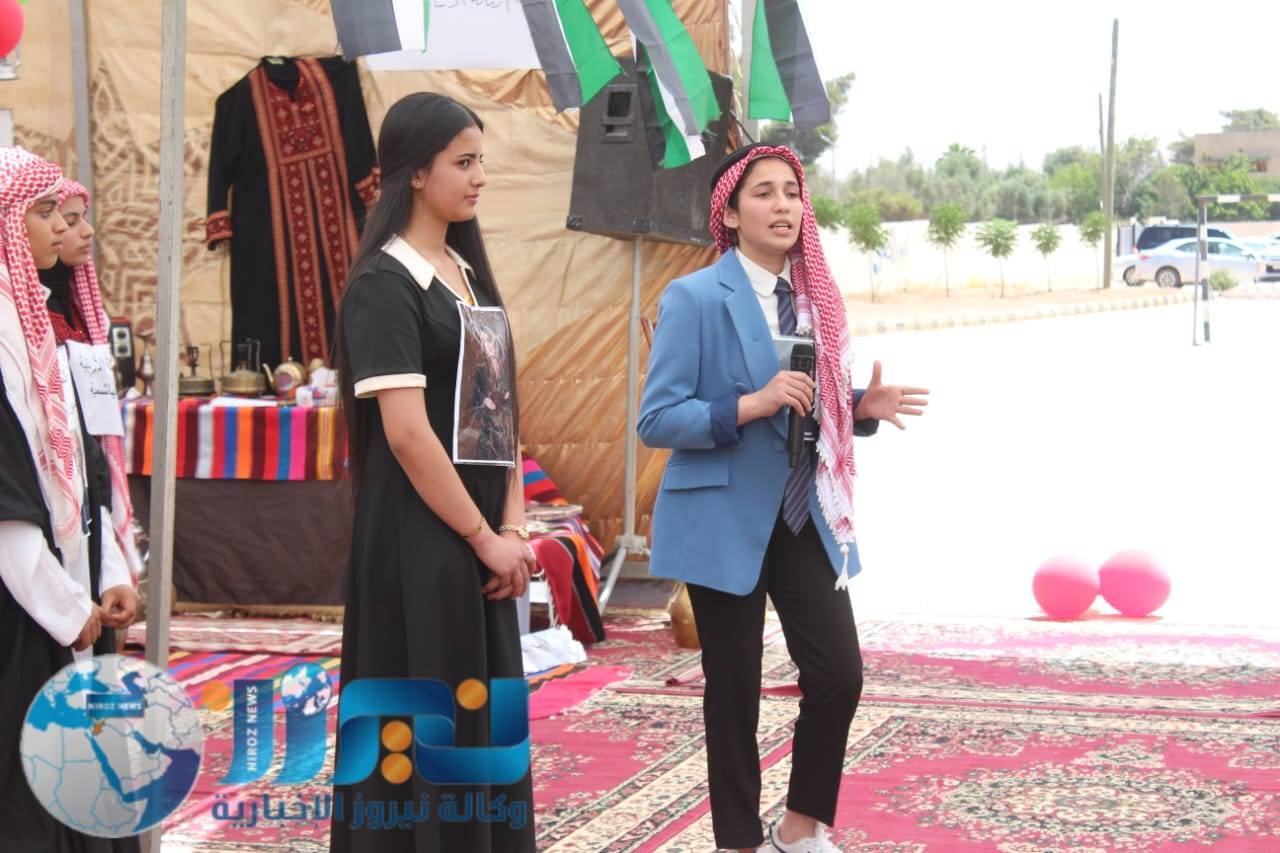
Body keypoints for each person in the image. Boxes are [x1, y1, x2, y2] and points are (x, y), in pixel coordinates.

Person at [638, 144, 929, 852]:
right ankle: (739, 842)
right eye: (764, 193)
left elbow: (807, 400)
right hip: (720, 516)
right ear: (731, 213)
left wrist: (858, 406)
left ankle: (800, 825)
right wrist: (751, 404)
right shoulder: (693, 298)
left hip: (801, 514)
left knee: (839, 674)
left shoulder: (814, 300)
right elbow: (657, 419)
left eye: (793, 193)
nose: (783, 206)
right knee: (733, 690)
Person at [330, 93, 536, 852]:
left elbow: (501, 414)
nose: (480, 177)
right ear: (415, 172)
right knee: (424, 728)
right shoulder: (385, 285)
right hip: (420, 541)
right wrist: (483, 536)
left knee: (482, 725)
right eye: (464, 161)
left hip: (480, 541)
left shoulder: (466, 274)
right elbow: (409, 436)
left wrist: (514, 528)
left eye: (481, 160)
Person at [0, 146, 140, 851]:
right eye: (44, 211)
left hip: (69, 586)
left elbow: (83, 464)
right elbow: (6, 496)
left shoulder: (31, 325)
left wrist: (108, 572)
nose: (61, 227)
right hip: (26, 608)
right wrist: (64, 608)